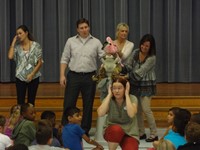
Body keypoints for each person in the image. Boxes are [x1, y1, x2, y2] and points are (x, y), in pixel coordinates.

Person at [60, 18, 104, 135]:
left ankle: (84, 130)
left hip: (90, 77)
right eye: (81, 28)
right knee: (69, 103)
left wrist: (104, 67)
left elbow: (103, 58)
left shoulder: (96, 42)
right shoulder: (70, 41)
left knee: (88, 104)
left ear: (89, 28)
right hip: (74, 76)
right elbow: (64, 58)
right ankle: (66, 128)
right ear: (77, 30)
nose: (84, 30)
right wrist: (62, 75)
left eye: (86, 27)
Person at [122, 33, 157, 142]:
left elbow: (139, 73)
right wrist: (121, 69)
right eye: (143, 45)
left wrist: (126, 76)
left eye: (147, 46)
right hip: (135, 85)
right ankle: (141, 132)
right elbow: (128, 65)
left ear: (151, 47)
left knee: (146, 109)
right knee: (137, 110)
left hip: (146, 85)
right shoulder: (136, 52)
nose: (144, 47)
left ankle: (154, 133)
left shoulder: (152, 58)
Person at [97, 76, 139, 150]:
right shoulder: (109, 99)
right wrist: (109, 94)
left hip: (129, 132)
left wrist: (126, 94)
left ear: (125, 88)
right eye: (114, 88)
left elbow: (131, 114)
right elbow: (100, 113)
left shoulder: (132, 98)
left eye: (119, 88)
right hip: (112, 130)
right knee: (116, 129)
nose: (116, 91)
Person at [8, 25, 43, 105]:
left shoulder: (36, 45)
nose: (18, 36)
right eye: (17, 34)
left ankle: (29, 117)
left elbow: (40, 62)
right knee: (20, 101)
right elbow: (10, 56)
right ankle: (21, 117)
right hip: (20, 77)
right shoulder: (17, 47)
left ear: (26, 33)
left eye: (20, 33)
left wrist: (32, 74)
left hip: (33, 76)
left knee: (31, 101)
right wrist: (13, 42)